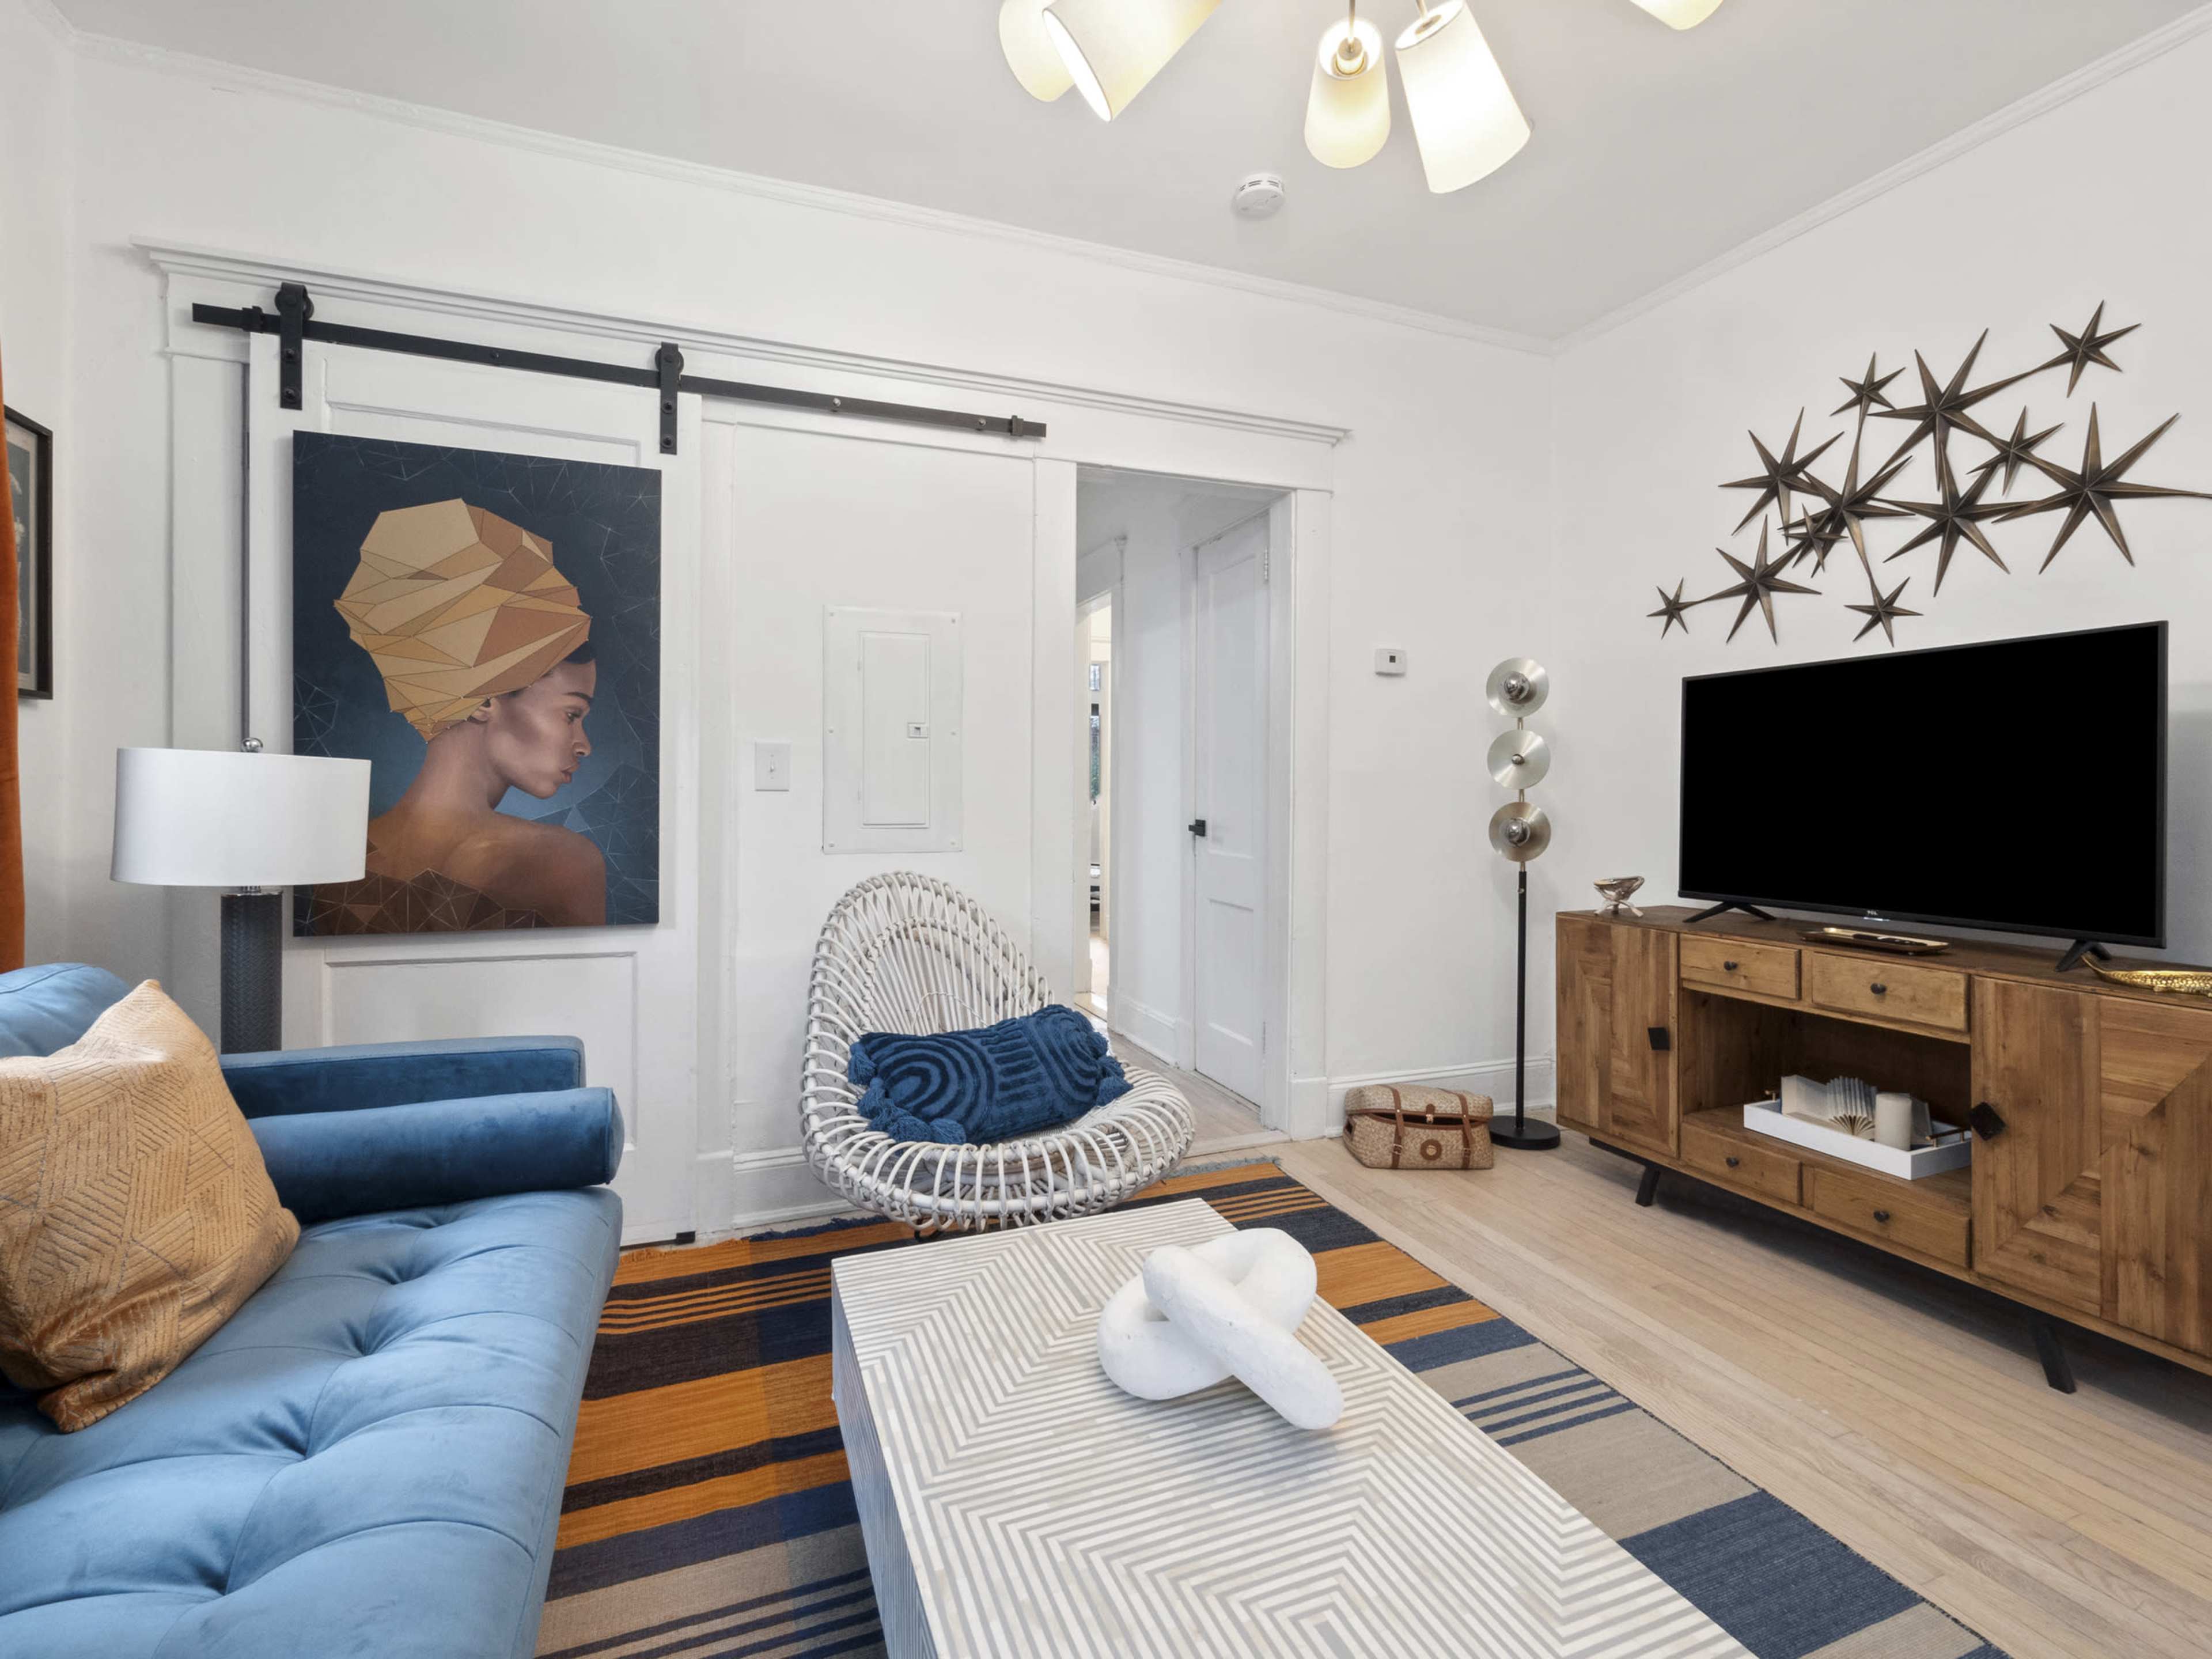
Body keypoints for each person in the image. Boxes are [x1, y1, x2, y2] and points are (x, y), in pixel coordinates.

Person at [308, 497, 607, 931]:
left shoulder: (341, 857)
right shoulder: (563, 863)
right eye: (571, 714)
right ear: (484, 700)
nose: (585, 745)